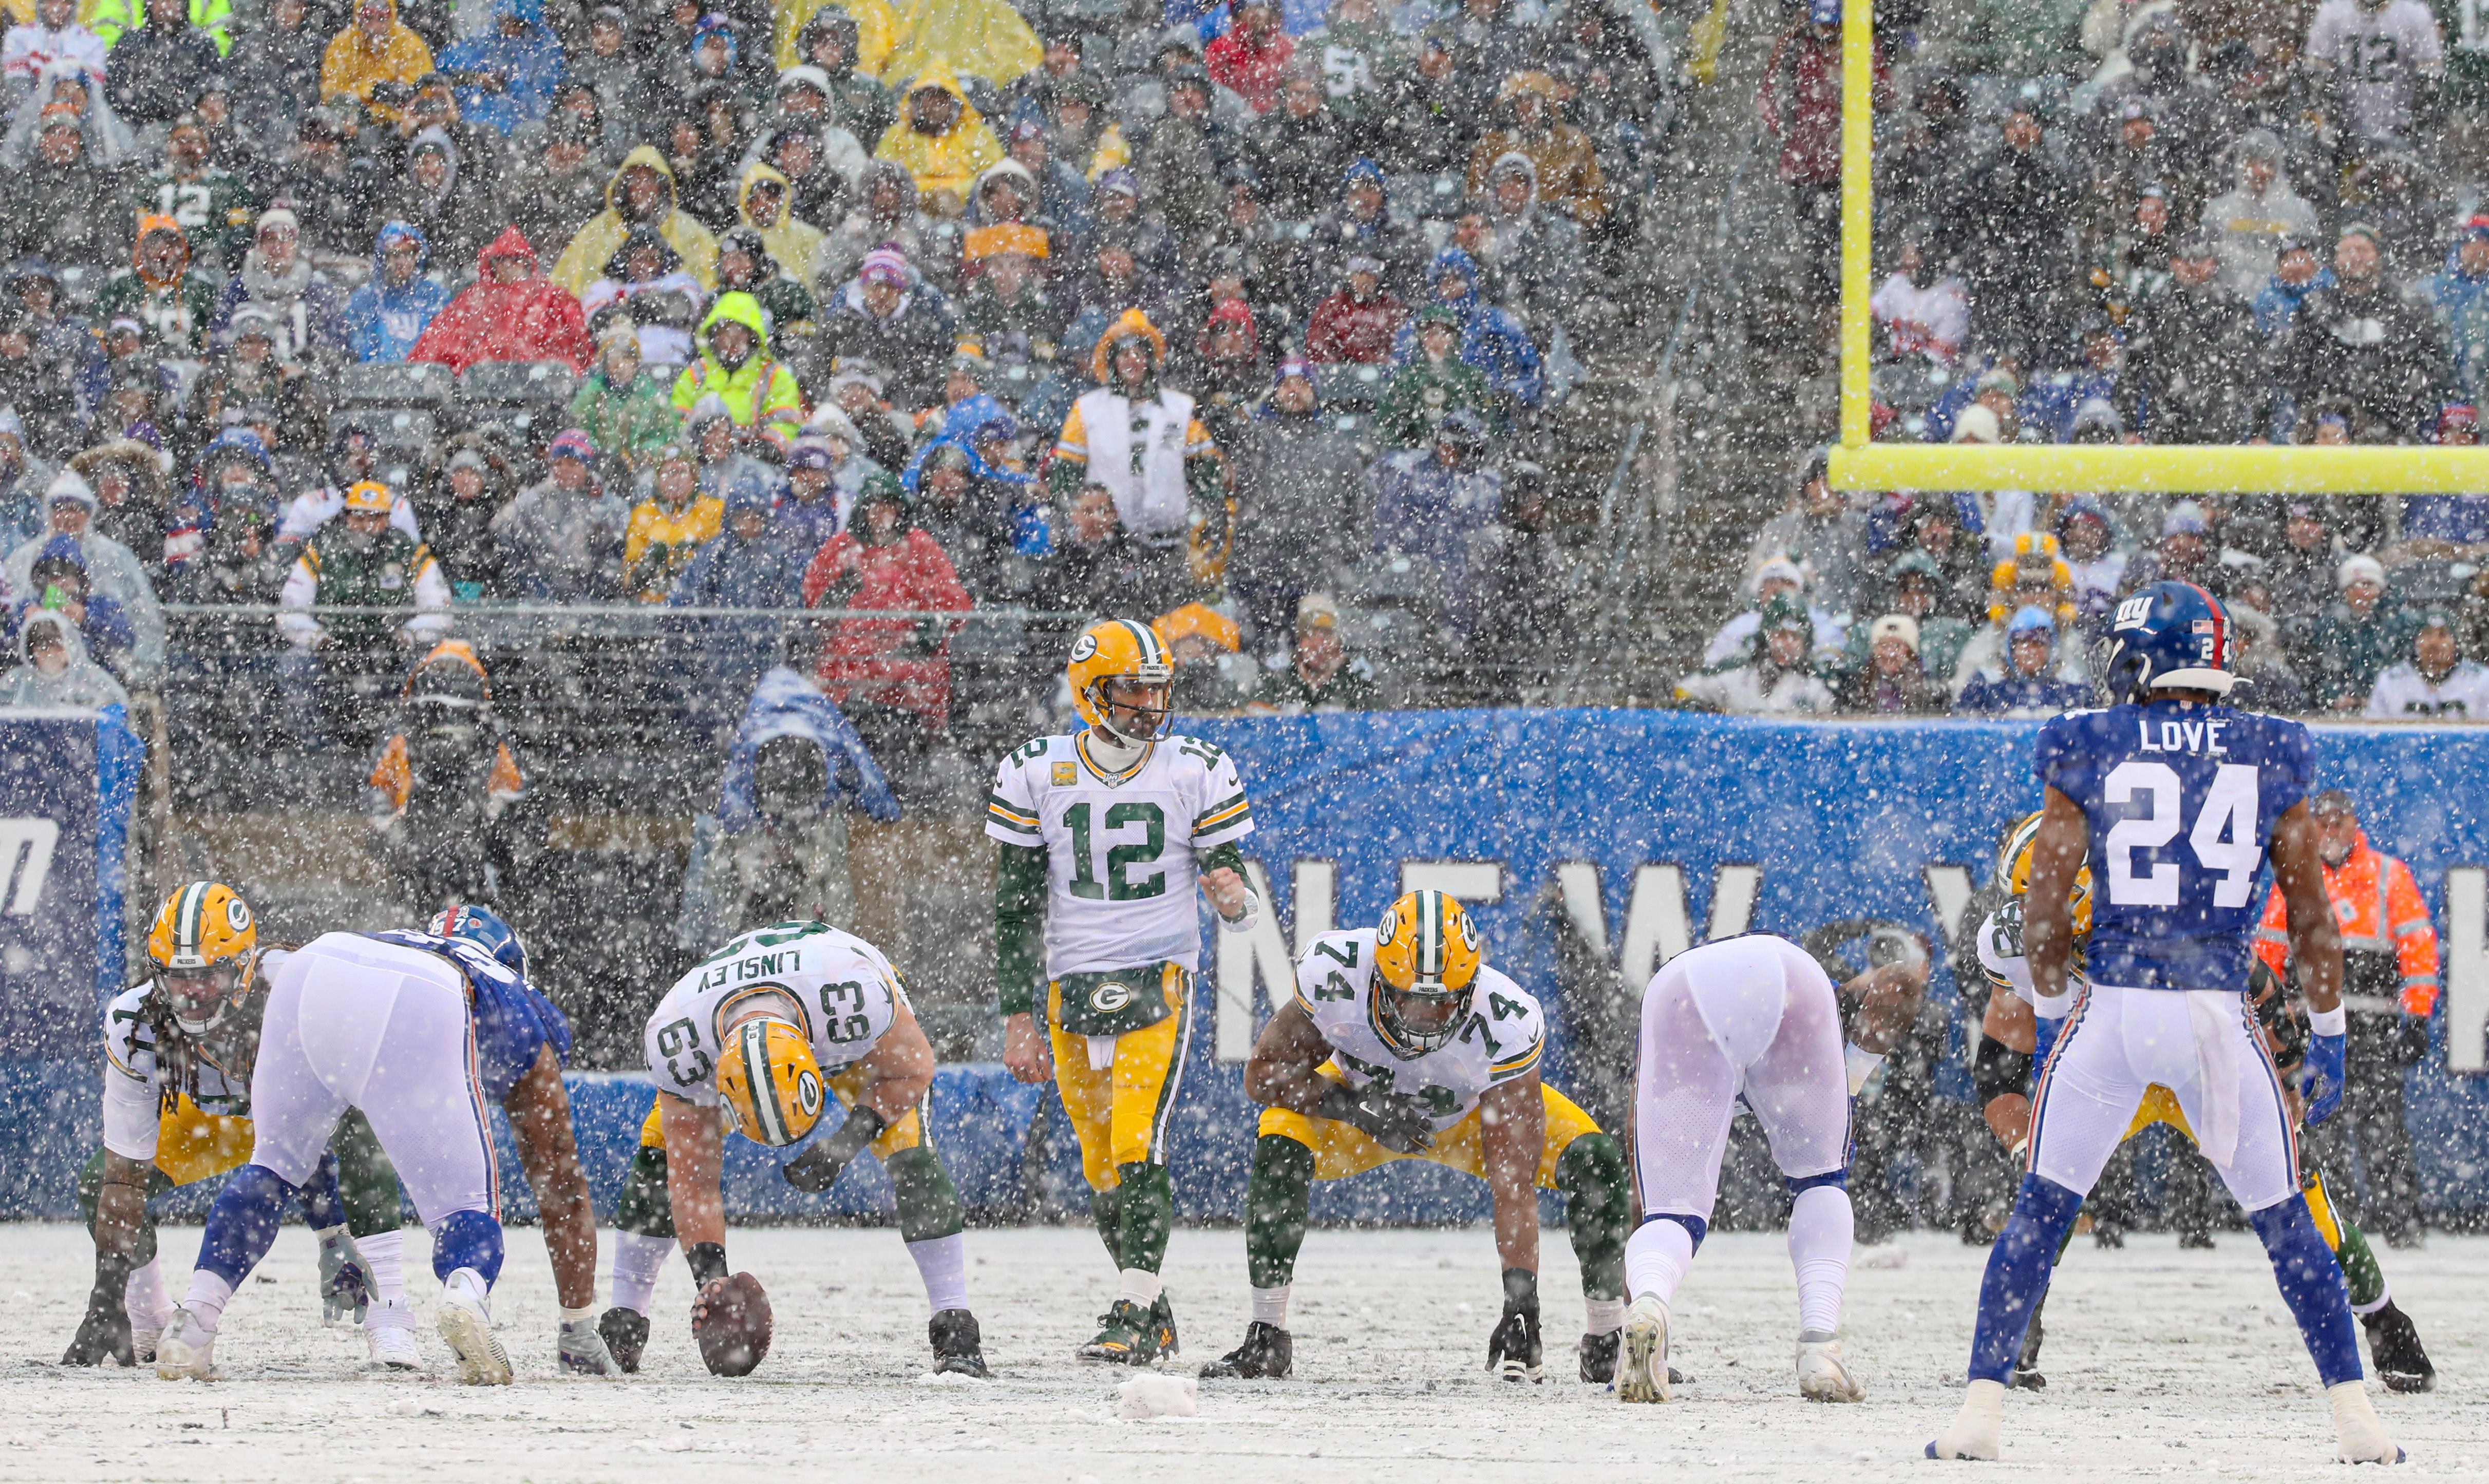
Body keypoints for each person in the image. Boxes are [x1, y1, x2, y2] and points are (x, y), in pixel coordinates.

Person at [1927, 582, 2399, 1464]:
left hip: (2117, 1006)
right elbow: (2310, 919)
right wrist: (2329, 1033)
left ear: (2140, 655)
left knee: (2038, 1214)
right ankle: (2357, 1419)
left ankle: (1979, 1417)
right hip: (2218, 1011)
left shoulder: (2087, 740)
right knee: (2286, 1224)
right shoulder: (2272, 748)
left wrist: (2065, 1014)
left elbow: (2041, 912)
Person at [1970, 813, 2438, 1394]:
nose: (2033, 913)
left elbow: (2257, 984)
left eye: (2045, 894)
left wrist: (2289, 1075)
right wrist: (2023, 1143)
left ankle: (2382, 1317)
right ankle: (2019, 1329)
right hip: (2110, 1067)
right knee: (2046, 1186)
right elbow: (1996, 1070)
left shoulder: (2164, 911)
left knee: (2295, 1189)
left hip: (2202, 1057)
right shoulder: (2015, 943)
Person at [151, 909, 619, 1383]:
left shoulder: (404, 941)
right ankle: (465, 1294)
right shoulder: (508, 996)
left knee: (273, 1165)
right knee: (467, 1207)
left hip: (318, 963)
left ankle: (194, 1320)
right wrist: (577, 1327)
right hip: (422, 997)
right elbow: (561, 1183)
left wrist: (331, 1233)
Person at [1200, 887, 1629, 1384]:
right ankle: (1267, 1335)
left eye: (1443, 1003)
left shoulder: (1505, 1019)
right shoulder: (1335, 974)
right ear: (1378, 978)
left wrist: (1522, 1304)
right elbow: (1264, 1075)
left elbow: (1513, 1181)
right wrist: (1354, 1106)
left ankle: (1606, 1339)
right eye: (1409, 998)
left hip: (1470, 1118)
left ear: (1469, 990)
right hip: (1357, 1112)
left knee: (1595, 1158)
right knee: (1279, 1139)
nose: (1424, 1019)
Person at [989, 619, 1259, 1365]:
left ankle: (1132, 1312)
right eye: (1133, 688)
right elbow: (1013, 908)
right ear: (1090, 690)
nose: (1148, 704)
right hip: (1067, 979)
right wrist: (1017, 1015)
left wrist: (1233, 898)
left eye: (1157, 687)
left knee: (1140, 1141)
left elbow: (1236, 891)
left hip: (1157, 972)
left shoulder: (1194, 767)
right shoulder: (1035, 770)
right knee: (1100, 1162)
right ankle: (1154, 1310)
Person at [57, 885, 416, 1370]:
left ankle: (390, 1316)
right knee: (99, 1179)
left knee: (359, 1128)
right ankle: (146, 1316)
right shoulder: (133, 1020)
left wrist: (332, 1233)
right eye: (179, 978)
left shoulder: (300, 986)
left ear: (245, 965)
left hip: (295, 1116)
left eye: (208, 975)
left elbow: (341, 1109)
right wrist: (105, 1298)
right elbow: (125, 1176)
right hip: (208, 1126)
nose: (192, 993)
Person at [612, 919, 989, 1378]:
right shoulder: (681, 1040)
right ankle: (623, 1322)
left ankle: (955, 1325)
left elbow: (914, 1068)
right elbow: (692, 1181)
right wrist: (712, 1282)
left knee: (908, 1145)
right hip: (743, 1013)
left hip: (829, 1008)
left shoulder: (856, 999)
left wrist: (846, 1142)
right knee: (661, 1151)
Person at [1616, 931, 1884, 1403]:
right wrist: (1853, 1075)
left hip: (1683, 992)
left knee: (1670, 1214)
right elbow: (1898, 983)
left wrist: (1634, 1288)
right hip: (1790, 975)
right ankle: (1820, 1346)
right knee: (1821, 1182)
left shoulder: (1677, 1001)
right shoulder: (1811, 986)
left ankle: (1650, 1303)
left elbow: (1644, 1188)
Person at [2254, 790, 2441, 1252]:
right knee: (2320, 1125)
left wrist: (2417, 1016)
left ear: (2356, 824)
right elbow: (2269, 953)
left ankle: (2400, 1220)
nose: (2331, 830)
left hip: (2373, 1026)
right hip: (2310, 1024)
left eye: (2340, 821)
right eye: (2322, 822)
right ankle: (2333, 1223)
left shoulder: (2387, 875)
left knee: (2384, 1126)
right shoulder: (2294, 875)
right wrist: (2266, 1013)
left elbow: (2418, 948)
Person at [1050, 309, 1222, 572]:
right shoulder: (1086, 410)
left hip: (1171, 544)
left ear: (1151, 360)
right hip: (1106, 548)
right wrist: (1071, 522)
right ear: (1112, 361)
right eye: (1124, 354)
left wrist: (1210, 521)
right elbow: (1065, 478)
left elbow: (1208, 476)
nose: (1133, 361)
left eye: (1140, 353)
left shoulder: (1182, 409)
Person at [799, 471, 970, 734]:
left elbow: (954, 604)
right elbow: (813, 603)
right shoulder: (842, 547)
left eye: (888, 505)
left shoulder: (919, 547)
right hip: (849, 673)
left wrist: (930, 629)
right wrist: (839, 593)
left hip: (908, 675)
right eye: (875, 505)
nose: (882, 513)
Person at [408, 227, 594, 374]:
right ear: (492, 262)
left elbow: (577, 348)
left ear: (526, 262)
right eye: (501, 259)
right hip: (482, 386)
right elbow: (439, 344)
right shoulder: (472, 299)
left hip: (539, 386)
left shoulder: (553, 299)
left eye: (515, 259)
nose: (507, 265)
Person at [551, 146, 720, 298]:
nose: (642, 187)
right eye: (636, 180)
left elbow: (711, 281)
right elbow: (564, 283)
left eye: (649, 180)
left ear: (660, 186)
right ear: (626, 186)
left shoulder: (689, 232)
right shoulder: (596, 233)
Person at [491, 428, 623, 600]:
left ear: (587, 467)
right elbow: (504, 534)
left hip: (592, 599)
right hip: (540, 596)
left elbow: (615, 555)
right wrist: (532, 583)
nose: (564, 470)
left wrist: (595, 588)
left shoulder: (610, 506)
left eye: (572, 464)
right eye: (558, 464)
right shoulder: (532, 501)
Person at [669, 290, 804, 447]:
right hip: (702, 457)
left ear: (752, 336)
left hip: (754, 461)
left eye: (740, 332)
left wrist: (768, 446)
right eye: (724, 331)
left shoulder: (774, 376)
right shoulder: (697, 373)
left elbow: (786, 421)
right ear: (714, 334)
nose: (731, 340)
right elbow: (677, 417)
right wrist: (697, 443)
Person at [1675, 594, 1836, 715]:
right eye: (1779, 635)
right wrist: (1704, 711)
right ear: (1765, 638)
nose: (1786, 644)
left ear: (1806, 644)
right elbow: (1686, 689)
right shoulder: (1737, 675)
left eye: (1794, 637)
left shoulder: (1817, 687)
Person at [874, 61, 1001, 210]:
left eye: (942, 98)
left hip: (969, 209)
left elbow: (994, 174)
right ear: (918, 101)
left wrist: (959, 193)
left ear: (953, 101)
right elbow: (881, 172)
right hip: (909, 209)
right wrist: (921, 195)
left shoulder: (976, 133)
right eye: (929, 98)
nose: (936, 105)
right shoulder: (899, 134)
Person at [623, 443, 723, 602]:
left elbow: (722, 566)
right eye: (668, 473)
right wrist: (649, 565)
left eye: (682, 472)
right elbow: (628, 579)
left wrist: (695, 560)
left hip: (697, 605)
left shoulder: (714, 510)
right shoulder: (642, 514)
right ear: (657, 479)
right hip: (650, 606)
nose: (675, 479)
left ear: (694, 477)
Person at [1954, 607, 2090, 718]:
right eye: (2023, 644)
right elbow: (1965, 730)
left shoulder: (2073, 684)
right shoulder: (1986, 684)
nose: (2031, 651)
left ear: (2051, 648)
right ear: (2011, 648)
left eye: (2038, 644)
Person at [344, 222, 449, 365]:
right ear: (384, 259)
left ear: (417, 257)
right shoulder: (366, 300)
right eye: (395, 254)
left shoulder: (435, 296)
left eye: (408, 254)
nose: (401, 261)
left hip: (425, 380)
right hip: (380, 381)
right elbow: (359, 347)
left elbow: (444, 345)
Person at [319, 0, 432, 124]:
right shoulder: (342, 45)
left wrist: (380, 104)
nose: (374, 27)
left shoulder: (410, 44)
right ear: (358, 17)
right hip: (355, 123)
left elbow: (422, 91)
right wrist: (372, 91)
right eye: (368, 18)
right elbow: (331, 91)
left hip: (401, 124)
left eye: (382, 19)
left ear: (392, 18)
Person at [1259, 592, 1375, 711]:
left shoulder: (1356, 676)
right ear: (1299, 640)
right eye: (1310, 635)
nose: (1319, 645)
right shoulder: (1279, 673)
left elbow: (1378, 721)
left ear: (1338, 642)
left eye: (1326, 635)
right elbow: (1253, 715)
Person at [2363, 610, 2489, 719]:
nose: (2434, 642)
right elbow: (2375, 732)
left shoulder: (2481, 679)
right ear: (2416, 640)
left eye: (2443, 635)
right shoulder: (2391, 680)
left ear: (2455, 641)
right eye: (2427, 634)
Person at [1840, 613, 1944, 714]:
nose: (1889, 653)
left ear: (1911, 652)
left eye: (1896, 646)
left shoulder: (1931, 684)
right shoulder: (1858, 681)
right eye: (1883, 645)